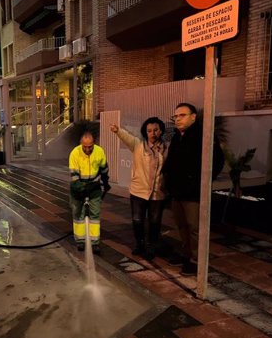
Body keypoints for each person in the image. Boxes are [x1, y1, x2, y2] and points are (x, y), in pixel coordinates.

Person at [163, 102, 224, 275]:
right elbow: (172, 161)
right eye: (175, 116)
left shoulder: (203, 135)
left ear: (193, 117)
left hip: (193, 193)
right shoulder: (177, 136)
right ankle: (187, 254)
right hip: (177, 191)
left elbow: (217, 161)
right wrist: (168, 179)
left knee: (194, 228)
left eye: (182, 115)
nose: (177, 119)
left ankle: (197, 260)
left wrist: (201, 182)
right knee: (181, 226)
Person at [110, 118, 168, 260]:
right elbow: (127, 138)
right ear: (145, 132)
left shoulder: (166, 149)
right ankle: (139, 244)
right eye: (149, 131)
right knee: (137, 220)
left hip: (157, 193)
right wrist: (118, 131)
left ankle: (151, 246)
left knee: (155, 222)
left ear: (161, 131)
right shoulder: (138, 146)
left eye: (156, 130)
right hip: (138, 191)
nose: (152, 133)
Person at [69, 131, 110, 254]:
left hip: (94, 187)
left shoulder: (99, 151)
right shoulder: (75, 153)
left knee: (95, 215)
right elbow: (74, 176)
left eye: (90, 146)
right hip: (78, 187)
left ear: (94, 144)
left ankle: (95, 242)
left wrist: (105, 182)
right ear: (81, 144)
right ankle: (80, 241)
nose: (88, 149)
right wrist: (80, 187)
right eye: (85, 146)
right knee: (78, 215)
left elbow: (104, 169)